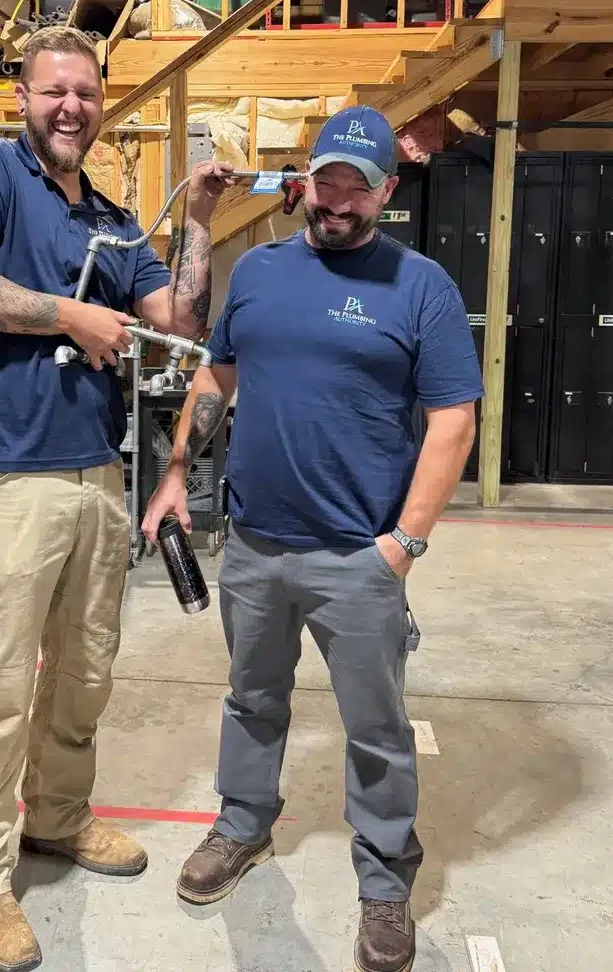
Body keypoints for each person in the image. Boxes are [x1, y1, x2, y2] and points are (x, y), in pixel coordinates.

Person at [0, 27, 231, 972]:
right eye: (54, 92)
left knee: (85, 675)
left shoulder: (107, 210)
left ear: (102, 104)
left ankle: (56, 818)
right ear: (23, 97)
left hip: (97, 469)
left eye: (87, 95)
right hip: (7, 477)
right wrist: (66, 313)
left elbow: (178, 318)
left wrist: (204, 221)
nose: (71, 108)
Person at [142, 104, 483, 972]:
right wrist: (179, 469)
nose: (336, 203)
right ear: (308, 180)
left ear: (385, 192)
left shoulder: (422, 288)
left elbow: (453, 421)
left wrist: (403, 545)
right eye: (326, 183)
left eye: (355, 190)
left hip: (358, 556)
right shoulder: (256, 273)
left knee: (376, 727)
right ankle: (241, 827)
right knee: (253, 699)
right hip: (256, 543)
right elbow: (220, 371)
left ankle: (383, 884)